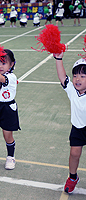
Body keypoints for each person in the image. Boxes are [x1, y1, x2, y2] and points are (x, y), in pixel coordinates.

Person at [53, 52, 86, 194]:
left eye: (83, 76)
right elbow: (62, 77)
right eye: (75, 76)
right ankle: (73, 177)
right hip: (78, 129)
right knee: (74, 154)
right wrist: (58, 58)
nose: (77, 79)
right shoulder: (72, 90)